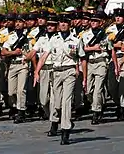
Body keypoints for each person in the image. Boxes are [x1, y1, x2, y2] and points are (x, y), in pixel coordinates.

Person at [34, 12, 87, 145]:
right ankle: (62, 120)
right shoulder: (53, 40)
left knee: (66, 102)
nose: (63, 25)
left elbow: (82, 58)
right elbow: (44, 55)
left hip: (69, 72)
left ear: (69, 25)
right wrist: (36, 71)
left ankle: (65, 131)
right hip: (56, 72)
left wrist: (84, 76)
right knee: (56, 103)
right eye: (61, 23)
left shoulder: (76, 40)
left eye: (66, 23)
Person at [80, 12, 118, 125]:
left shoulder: (106, 35)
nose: (93, 23)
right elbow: (82, 49)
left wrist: (116, 66)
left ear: (100, 23)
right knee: (88, 90)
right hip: (89, 62)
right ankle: (99, 104)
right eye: (92, 21)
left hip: (101, 62)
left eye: (96, 21)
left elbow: (111, 51)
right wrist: (92, 48)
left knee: (98, 89)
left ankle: (96, 112)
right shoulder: (85, 35)